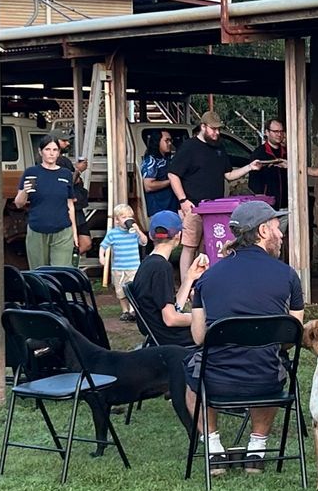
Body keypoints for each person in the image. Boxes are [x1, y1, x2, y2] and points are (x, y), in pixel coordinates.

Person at [186, 199, 304, 472]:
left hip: (216, 381)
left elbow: (199, 337)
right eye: (277, 227)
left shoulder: (209, 277)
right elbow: (293, 337)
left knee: (191, 372)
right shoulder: (287, 275)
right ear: (263, 231)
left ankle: (213, 448)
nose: (281, 234)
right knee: (274, 362)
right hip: (266, 379)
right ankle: (257, 450)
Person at [167, 110, 262, 279]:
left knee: (208, 247)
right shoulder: (189, 147)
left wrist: (249, 167)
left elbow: (228, 175)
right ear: (203, 127)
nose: (216, 133)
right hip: (194, 206)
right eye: (213, 129)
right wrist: (183, 200)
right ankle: (186, 286)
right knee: (189, 246)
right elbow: (173, 174)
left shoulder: (219, 148)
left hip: (214, 209)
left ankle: (206, 284)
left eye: (218, 129)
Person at [131, 211, 205, 345]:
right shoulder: (161, 268)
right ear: (178, 235)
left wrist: (189, 277)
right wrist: (202, 318)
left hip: (158, 334)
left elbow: (173, 308)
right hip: (170, 338)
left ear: (151, 236)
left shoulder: (148, 263)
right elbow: (171, 319)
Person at [14, 136, 78, 270]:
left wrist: (74, 233)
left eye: (55, 149)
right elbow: (19, 203)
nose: (51, 153)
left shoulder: (65, 174)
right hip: (37, 229)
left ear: (59, 152)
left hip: (63, 230)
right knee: (40, 274)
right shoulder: (32, 172)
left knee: (61, 273)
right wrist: (25, 190)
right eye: (47, 149)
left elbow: (70, 205)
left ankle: (61, 292)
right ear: (40, 151)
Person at [100, 204, 143, 314]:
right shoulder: (113, 233)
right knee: (120, 291)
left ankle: (133, 309)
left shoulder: (134, 233)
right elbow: (103, 245)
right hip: (118, 268)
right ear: (117, 220)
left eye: (129, 217)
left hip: (133, 267)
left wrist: (138, 230)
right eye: (124, 217)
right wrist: (102, 256)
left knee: (133, 288)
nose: (127, 220)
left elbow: (144, 241)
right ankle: (125, 311)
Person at [247, 118, 290, 205]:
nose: (279, 134)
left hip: (288, 204)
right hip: (268, 206)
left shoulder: (288, 153)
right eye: (275, 131)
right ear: (267, 132)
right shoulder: (259, 154)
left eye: (281, 131)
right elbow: (254, 184)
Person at [140, 128, 175, 208]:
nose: (169, 143)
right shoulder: (151, 160)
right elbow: (148, 186)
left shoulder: (167, 159)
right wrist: (171, 181)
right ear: (157, 141)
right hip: (158, 205)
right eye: (166, 140)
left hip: (170, 204)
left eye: (170, 140)